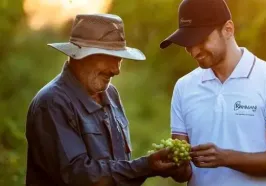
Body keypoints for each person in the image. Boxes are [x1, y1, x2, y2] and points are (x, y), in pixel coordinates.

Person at [25, 13, 178, 186]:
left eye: (119, 59)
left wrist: (147, 167)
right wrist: (145, 166)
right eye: (109, 58)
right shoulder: (52, 103)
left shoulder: (110, 94)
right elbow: (79, 176)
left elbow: (116, 169)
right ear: (79, 55)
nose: (116, 70)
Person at [159, 0, 266, 185]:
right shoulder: (184, 87)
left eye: (200, 41)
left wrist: (225, 158)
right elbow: (183, 173)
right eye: (187, 44)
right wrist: (173, 165)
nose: (194, 51)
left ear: (228, 29)